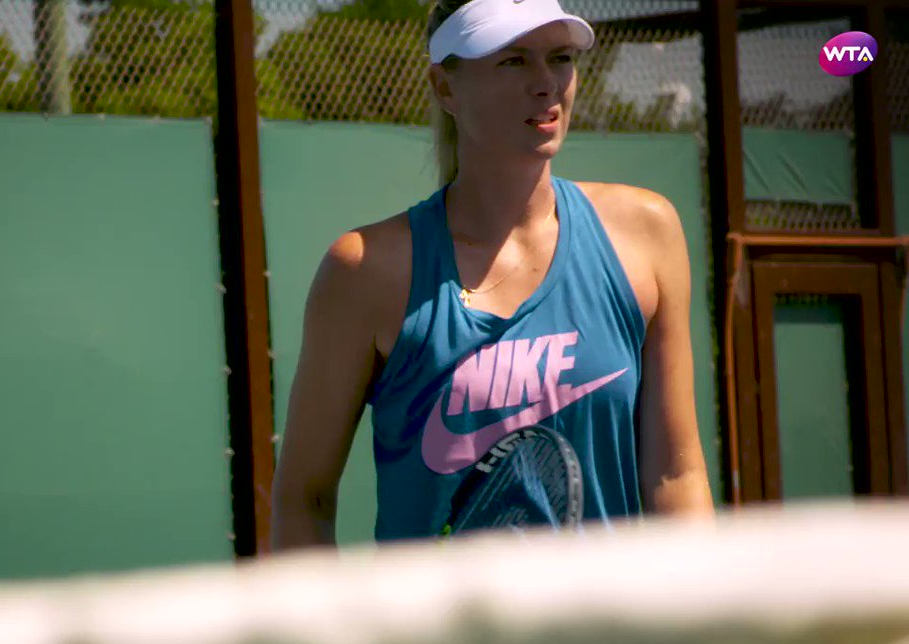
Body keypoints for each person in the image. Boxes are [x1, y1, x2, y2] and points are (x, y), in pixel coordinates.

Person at [272, 0, 715, 550]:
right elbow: (302, 503)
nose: (547, 83)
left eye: (560, 58)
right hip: (437, 636)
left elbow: (676, 478)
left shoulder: (646, 233)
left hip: (613, 632)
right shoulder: (364, 270)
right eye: (513, 61)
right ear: (444, 89)